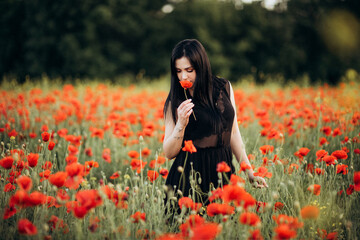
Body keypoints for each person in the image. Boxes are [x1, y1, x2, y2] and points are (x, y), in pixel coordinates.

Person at [163, 39, 267, 210]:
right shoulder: (175, 100)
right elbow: (168, 152)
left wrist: (249, 173)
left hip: (223, 171)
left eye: (189, 70)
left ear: (201, 66)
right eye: (178, 71)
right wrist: (180, 124)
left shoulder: (224, 87)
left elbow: (233, 133)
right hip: (191, 178)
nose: (183, 77)